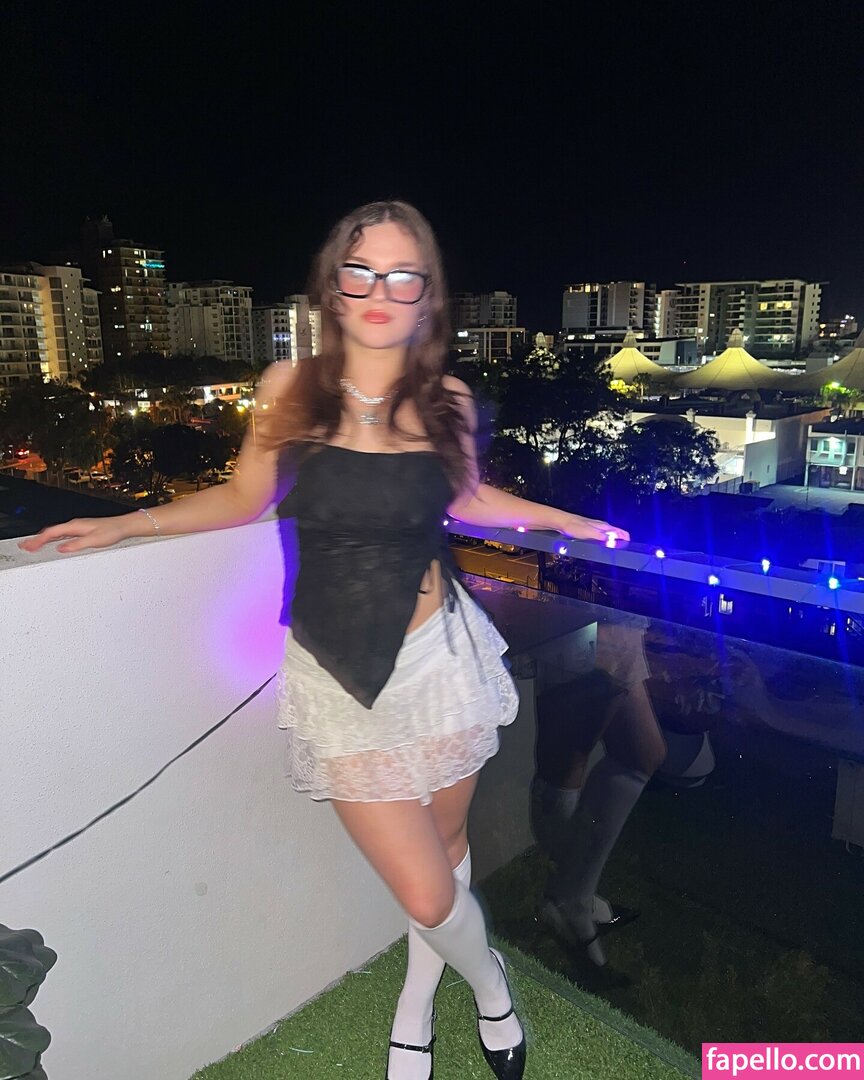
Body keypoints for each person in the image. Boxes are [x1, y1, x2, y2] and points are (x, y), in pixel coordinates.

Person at [19, 200, 630, 1080]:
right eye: (361, 272)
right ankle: (491, 984)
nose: (380, 291)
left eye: (403, 276)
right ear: (333, 288)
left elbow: (467, 497)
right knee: (428, 892)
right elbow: (244, 498)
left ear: (427, 295)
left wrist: (563, 518)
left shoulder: (447, 399)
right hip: (337, 679)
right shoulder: (289, 388)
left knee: (447, 852)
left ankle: (415, 1006)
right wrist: (125, 524)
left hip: (442, 662)